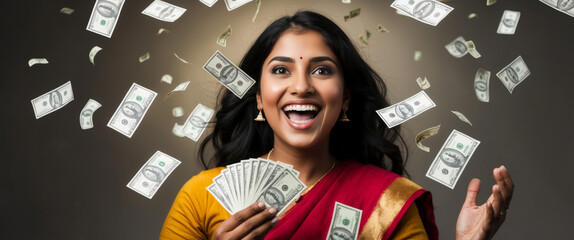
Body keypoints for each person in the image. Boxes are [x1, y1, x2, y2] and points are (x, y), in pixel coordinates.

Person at [160, 11, 513, 240]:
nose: (301, 86)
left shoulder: (387, 202)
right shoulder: (200, 196)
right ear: (257, 98)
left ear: (344, 99)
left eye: (322, 70)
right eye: (281, 70)